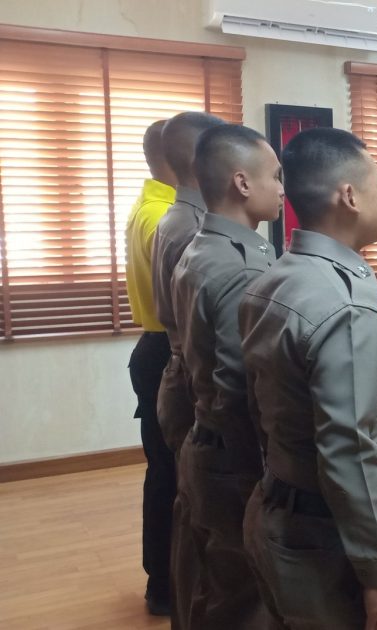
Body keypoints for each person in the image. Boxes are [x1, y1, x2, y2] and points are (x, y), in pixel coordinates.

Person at [240, 127, 377, 629]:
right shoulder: (346, 307)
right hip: (322, 536)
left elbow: (258, 404)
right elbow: (348, 449)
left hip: (274, 505)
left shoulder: (275, 277)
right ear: (349, 196)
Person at [171, 124, 282, 627]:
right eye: (274, 176)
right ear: (242, 183)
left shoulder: (202, 247)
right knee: (241, 597)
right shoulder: (242, 269)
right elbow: (243, 389)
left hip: (204, 440)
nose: (281, 189)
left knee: (212, 582)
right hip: (232, 457)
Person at [149, 110, 224, 627]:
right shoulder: (193, 230)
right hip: (195, 383)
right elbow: (201, 336)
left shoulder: (178, 218)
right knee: (201, 517)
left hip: (182, 372)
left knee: (192, 509)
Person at [124, 120, 177, 617]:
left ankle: (162, 580)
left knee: (165, 471)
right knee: (173, 474)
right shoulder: (165, 218)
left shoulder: (149, 206)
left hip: (154, 349)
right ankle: (165, 582)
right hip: (167, 352)